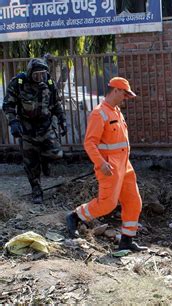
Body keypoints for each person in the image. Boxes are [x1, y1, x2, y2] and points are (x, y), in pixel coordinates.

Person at [66, 77, 147, 252]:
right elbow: (89, 143)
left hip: (125, 165)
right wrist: (101, 163)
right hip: (109, 167)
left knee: (134, 202)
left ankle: (126, 241)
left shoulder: (116, 111)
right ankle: (75, 216)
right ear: (116, 90)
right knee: (107, 204)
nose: (125, 98)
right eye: (124, 94)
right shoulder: (99, 113)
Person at [2, 58, 67, 205]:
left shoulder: (48, 83)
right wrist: (13, 122)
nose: (40, 78)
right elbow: (8, 105)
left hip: (45, 126)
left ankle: (44, 160)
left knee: (56, 154)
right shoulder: (18, 83)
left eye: (42, 74)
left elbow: (56, 103)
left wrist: (63, 121)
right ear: (30, 73)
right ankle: (36, 190)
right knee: (30, 162)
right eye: (36, 75)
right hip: (27, 128)